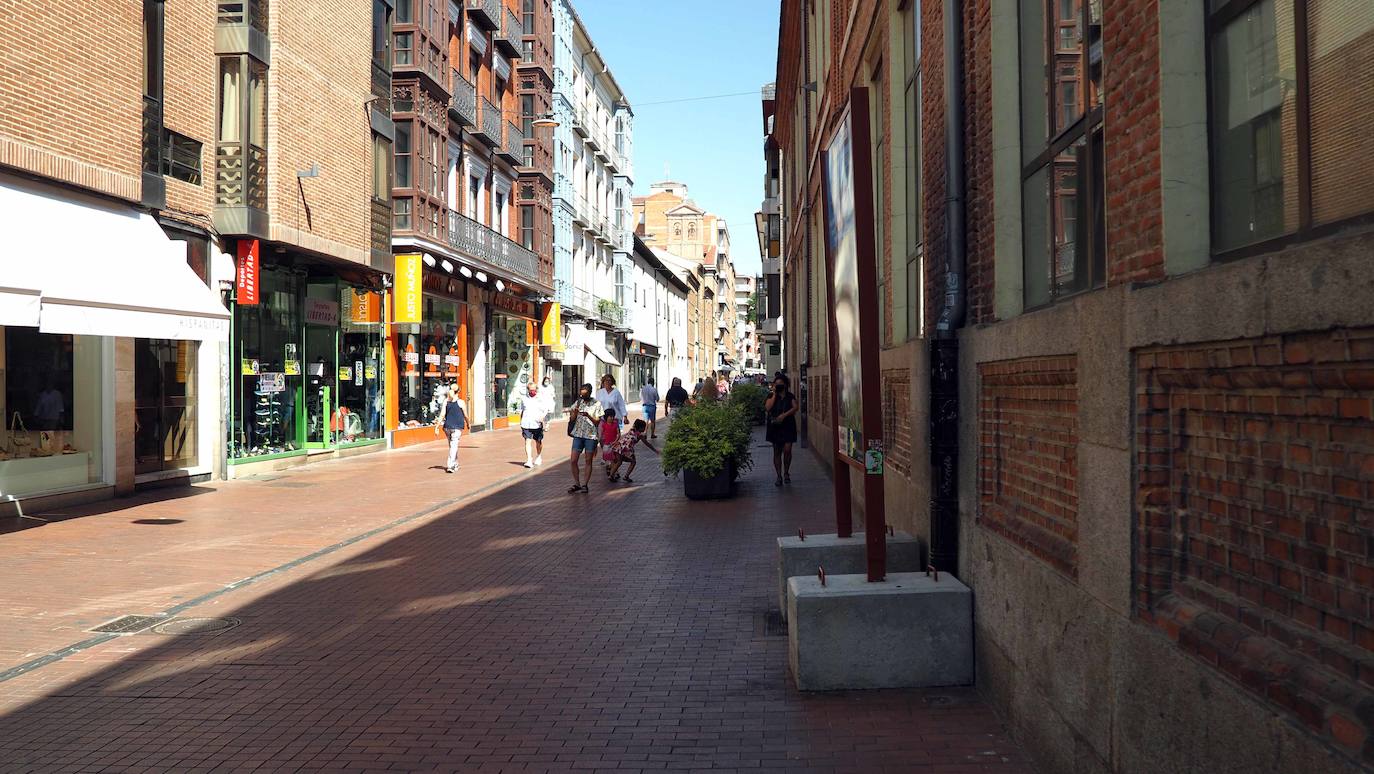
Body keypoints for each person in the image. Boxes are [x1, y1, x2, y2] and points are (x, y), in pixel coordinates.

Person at [764, 374, 799, 486]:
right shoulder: (771, 395)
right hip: (775, 426)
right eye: (777, 384)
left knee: (787, 449)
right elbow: (768, 408)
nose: (779, 386)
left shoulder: (790, 396)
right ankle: (779, 476)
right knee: (777, 451)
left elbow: (795, 407)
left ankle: (786, 472)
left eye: (781, 384)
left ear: (785, 385)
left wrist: (784, 415)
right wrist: (774, 393)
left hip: (788, 425)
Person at [567, 383, 601, 493]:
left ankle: (585, 484)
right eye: (581, 394)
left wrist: (588, 416)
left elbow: (597, 422)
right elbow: (572, 419)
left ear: (589, 393)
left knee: (588, 460)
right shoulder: (578, 402)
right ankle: (577, 483)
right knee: (573, 460)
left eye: (585, 395)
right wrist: (575, 413)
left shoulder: (596, 404)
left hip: (590, 435)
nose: (583, 397)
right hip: (578, 434)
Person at [607, 418, 658, 483]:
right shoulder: (640, 435)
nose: (644, 429)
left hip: (619, 446)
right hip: (626, 449)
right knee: (633, 462)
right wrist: (655, 450)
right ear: (640, 428)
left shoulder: (631, 430)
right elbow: (647, 444)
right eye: (643, 428)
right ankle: (626, 476)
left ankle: (611, 475)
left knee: (619, 462)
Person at [433, 387, 467, 473]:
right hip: (456, 428)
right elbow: (465, 415)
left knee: (452, 446)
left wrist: (437, 426)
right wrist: (468, 423)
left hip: (447, 427)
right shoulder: (461, 402)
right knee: (453, 446)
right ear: (458, 391)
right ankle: (451, 465)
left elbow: (442, 415)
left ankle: (455, 464)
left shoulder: (446, 401)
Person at [518, 382, 549, 468]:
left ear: (536, 389)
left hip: (537, 424)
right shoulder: (524, 398)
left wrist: (542, 417)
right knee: (527, 440)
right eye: (531, 390)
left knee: (538, 441)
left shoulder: (541, 398)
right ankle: (529, 460)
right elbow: (522, 410)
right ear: (528, 390)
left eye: (534, 390)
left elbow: (546, 410)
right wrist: (520, 421)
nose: (532, 392)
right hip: (526, 423)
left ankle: (538, 456)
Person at [599, 408, 621, 475]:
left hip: (614, 445)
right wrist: (601, 441)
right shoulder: (604, 425)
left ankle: (614, 471)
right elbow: (601, 435)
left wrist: (615, 441)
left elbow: (619, 434)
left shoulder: (615, 424)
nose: (611, 418)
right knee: (608, 459)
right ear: (606, 417)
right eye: (610, 416)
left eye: (612, 416)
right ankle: (610, 469)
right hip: (606, 445)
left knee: (615, 459)